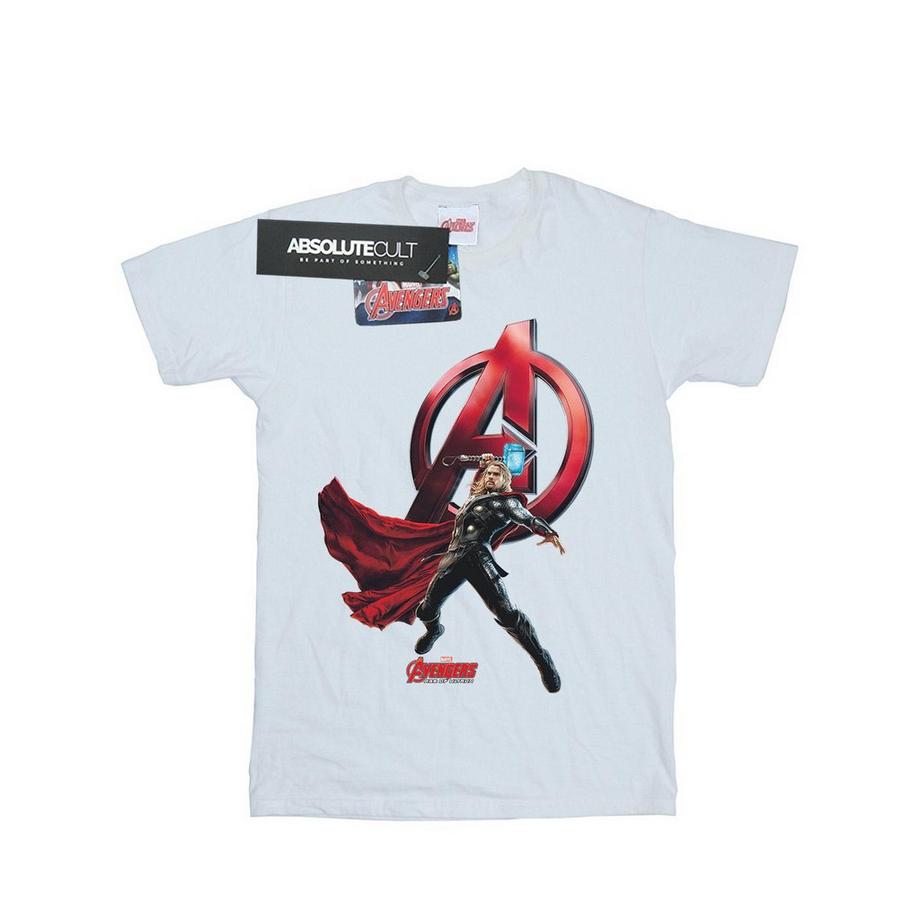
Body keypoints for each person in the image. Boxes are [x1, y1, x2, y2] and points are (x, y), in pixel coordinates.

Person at [414, 454, 565, 692]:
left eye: (496, 474)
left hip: (478, 557)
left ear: (505, 479)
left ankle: (542, 659)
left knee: (506, 613)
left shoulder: (505, 502)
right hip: (453, 558)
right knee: (426, 609)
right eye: (488, 474)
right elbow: (476, 482)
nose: (491, 477)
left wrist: (547, 531)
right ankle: (434, 630)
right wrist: (484, 463)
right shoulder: (473, 499)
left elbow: (526, 517)